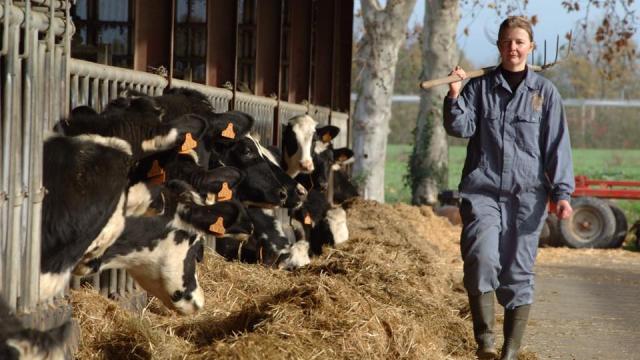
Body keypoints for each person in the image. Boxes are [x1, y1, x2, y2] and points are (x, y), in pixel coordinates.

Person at [443, 16, 574, 360]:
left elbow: (556, 146)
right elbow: (460, 127)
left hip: (528, 196)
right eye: (506, 42)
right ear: (499, 47)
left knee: (517, 271)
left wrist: (561, 194)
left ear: (530, 47)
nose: (513, 48)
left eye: (519, 42)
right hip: (482, 190)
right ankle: (485, 341)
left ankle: (510, 351)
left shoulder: (544, 94)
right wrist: (455, 94)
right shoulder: (480, 87)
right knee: (481, 258)